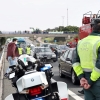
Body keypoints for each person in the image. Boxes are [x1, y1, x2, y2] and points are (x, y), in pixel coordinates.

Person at [72, 19, 100, 100]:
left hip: (85, 80)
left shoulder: (81, 42)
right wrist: (91, 81)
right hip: (95, 80)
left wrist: (81, 78)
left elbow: (75, 62)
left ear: (91, 28)